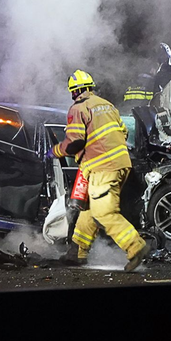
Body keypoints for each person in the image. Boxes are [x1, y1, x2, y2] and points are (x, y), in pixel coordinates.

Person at [50, 70, 150, 272]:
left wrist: (54, 151)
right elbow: (124, 131)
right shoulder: (108, 105)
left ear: (74, 92)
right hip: (121, 165)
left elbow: (74, 142)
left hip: (102, 167)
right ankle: (77, 252)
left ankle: (135, 246)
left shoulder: (78, 108)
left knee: (103, 212)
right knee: (89, 211)